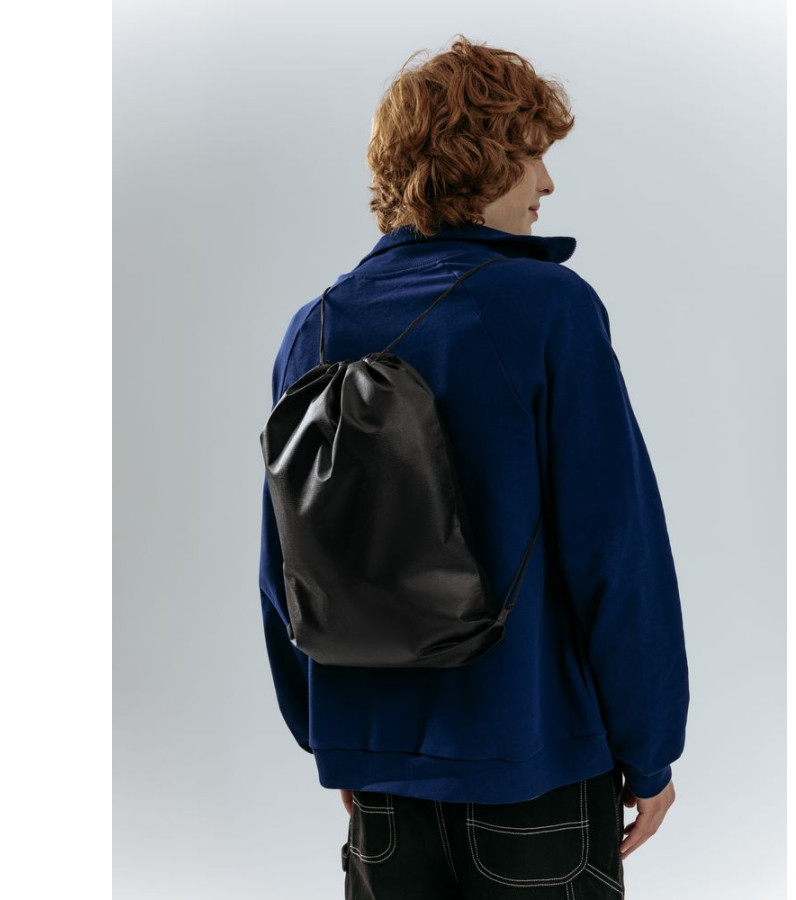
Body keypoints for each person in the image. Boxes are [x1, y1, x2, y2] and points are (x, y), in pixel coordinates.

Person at [258, 34, 690, 899]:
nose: (547, 182)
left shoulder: (314, 326)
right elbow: (615, 549)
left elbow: (285, 570)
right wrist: (650, 752)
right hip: (532, 771)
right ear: (477, 157)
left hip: (379, 781)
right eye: (532, 154)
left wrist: (334, 735)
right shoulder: (549, 308)